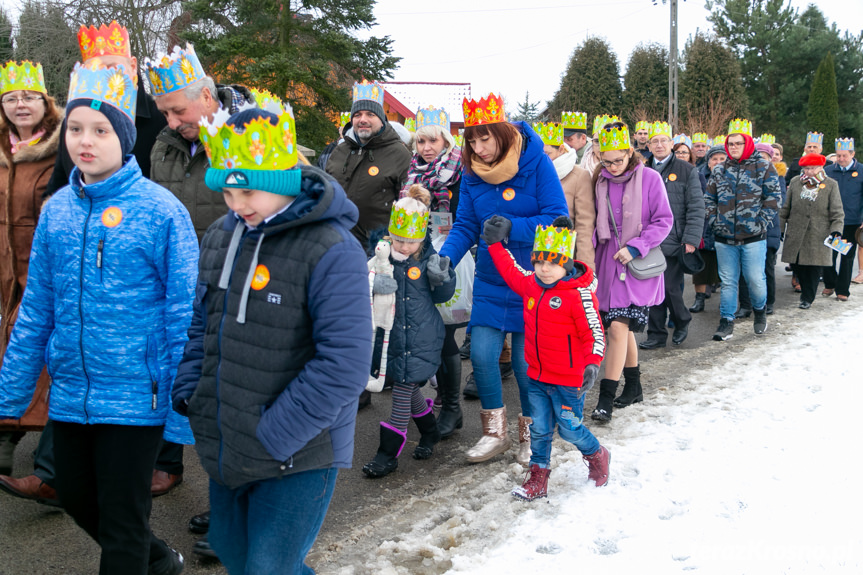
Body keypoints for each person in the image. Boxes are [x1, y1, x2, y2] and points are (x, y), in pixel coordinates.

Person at [0, 61, 193, 575]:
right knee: (81, 502)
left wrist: (179, 411)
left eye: (101, 130)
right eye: (76, 129)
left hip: (137, 395)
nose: (85, 141)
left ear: (125, 137)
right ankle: (162, 561)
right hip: (71, 392)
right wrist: (11, 394)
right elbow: (37, 306)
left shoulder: (161, 211)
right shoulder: (59, 209)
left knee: (123, 522)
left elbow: (182, 315)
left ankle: (144, 557)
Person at [172, 104, 371, 573]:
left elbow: (344, 364)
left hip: (297, 450)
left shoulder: (332, 248)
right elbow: (204, 320)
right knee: (238, 559)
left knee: (269, 568)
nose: (236, 204)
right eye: (226, 192)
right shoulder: (223, 235)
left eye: (248, 191)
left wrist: (275, 434)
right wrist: (192, 391)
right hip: (227, 437)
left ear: (281, 181)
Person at [439, 93, 568, 465]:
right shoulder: (473, 173)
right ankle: (494, 433)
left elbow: (558, 217)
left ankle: (533, 434)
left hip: (533, 278)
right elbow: (465, 224)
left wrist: (513, 227)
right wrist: (445, 258)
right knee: (480, 355)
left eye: (485, 139)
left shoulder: (537, 163)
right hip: (493, 279)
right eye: (472, 141)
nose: (479, 149)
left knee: (528, 366)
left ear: (503, 133)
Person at [483, 215, 609, 500]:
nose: (543, 269)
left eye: (552, 263)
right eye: (539, 262)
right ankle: (537, 478)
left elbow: (594, 332)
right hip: (537, 376)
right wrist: (494, 245)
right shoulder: (531, 285)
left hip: (569, 380)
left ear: (565, 264)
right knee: (538, 429)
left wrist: (592, 362)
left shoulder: (578, 294)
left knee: (569, 429)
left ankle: (597, 454)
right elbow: (511, 271)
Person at [362, 185, 455, 478]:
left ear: (421, 238)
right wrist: (375, 284)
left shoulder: (429, 258)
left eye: (410, 242)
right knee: (409, 386)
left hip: (422, 336)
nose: (403, 247)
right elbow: (363, 281)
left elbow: (441, 297)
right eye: (399, 240)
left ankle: (387, 454)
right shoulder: (381, 255)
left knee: (402, 390)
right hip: (392, 337)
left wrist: (443, 278)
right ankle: (429, 432)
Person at [0, 60, 62, 483]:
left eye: (28, 97)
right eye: (10, 98)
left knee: (43, 353)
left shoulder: (62, 149)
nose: (20, 105)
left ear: (45, 102)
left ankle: (51, 459)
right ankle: (8, 434)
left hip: (41, 267)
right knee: (5, 351)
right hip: (3, 271)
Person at [589, 121, 672, 422]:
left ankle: (605, 399)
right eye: (605, 160)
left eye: (618, 160)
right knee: (618, 329)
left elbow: (663, 220)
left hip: (634, 262)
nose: (611, 166)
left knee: (616, 329)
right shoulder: (599, 180)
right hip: (606, 262)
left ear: (630, 152)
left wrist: (636, 246)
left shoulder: (649, 177)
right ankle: (634, 385)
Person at [147, 43, 255, 242]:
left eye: (179, 111)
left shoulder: (255, 135)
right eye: (164, 113)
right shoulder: (162, 147)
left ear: (206, 96)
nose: (171, 124)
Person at [400, 106, 464, 438]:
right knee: (431, 332)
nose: (426, 147)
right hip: (415, 255)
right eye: (421, 141)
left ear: (445, 140)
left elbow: (464, 216)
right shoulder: (411, 172)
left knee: (446, 332)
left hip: (450, 254)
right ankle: (445, 403)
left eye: (432, 140)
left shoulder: (459, 171)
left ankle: (451, 406)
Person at [705, 119, 781, 340]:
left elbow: (773, 199)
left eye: (738, 143)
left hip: (754, 238)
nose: (734, 147)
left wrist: (760, 223)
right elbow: (709, 199)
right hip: (724, 237)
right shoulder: (719, 170)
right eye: (730, 144)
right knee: (728, 281)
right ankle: (726, 321)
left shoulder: (764, 167)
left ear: (747, 143)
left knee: (755, 279)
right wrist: (714, 221)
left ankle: (759, 311)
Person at [325, 80, 412, 252]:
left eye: (370, 114)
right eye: (357, 115)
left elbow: (408, 205)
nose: (363, 119)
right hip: (336, 243)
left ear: (382, 120)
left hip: (379, 249)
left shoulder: (399, 154)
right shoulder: (339, 151)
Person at [639, 123, 703, 349]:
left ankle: (682, 319)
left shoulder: (686, 170)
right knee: (651, 289)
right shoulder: (642, 169)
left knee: (669, 288)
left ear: (671, 144)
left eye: (663, 140)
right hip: (647, 239)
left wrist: (690, 239)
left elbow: (696, 207)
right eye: (654, 141)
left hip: (674, 239)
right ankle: (656, 334)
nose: (659, 145)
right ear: (648, 145)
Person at [780, 153, 844, 308]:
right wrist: (780, 228)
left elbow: (837, 212)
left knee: (814, 268)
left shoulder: (830, 184)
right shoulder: (796, 182)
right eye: (806, 168)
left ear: (821, 167)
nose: (809, 171)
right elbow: (785, 208)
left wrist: (836, 231)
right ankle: (805, 291)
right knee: (797, 265)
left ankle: (807, 297)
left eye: (813, 168)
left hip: (818, 233)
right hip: (796, 232)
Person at [534, 121, 596, 270]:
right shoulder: (531, 174)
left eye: (547, 154)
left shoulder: (579, 176)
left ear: (561, 149)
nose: (542, 159)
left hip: (563, 259)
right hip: (535, 259)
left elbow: (584, 225)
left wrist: (585, 268)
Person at [736, 142, 787, 316]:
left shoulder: (776, 176)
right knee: (744, 270)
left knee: (766, 269)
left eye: (764, 156)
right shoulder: (743, 174)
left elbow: (778, 202)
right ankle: (745, 305)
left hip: (768, 229)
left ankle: (768, 302)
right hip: (744, 230)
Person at [822, 138, 862, 301]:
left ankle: (843, 290)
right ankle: (830, 282)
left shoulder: (861, 171)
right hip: (831, 221)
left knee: (847, 257)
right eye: (838, 156)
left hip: (852, 221)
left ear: (852, 154)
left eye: (844, 156)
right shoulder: (828, 171)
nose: (841, 159)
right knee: (827, 255)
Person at [689, 145, 726, 313]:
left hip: (725, 228)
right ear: (708, 161)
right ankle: (700, 299)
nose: (718, 162)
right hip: (703, 227)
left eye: (721, 159)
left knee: (725, 267)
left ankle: (726, 300)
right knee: (700, 267)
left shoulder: (731, 176)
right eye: (714, 159)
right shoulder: (698, 175)